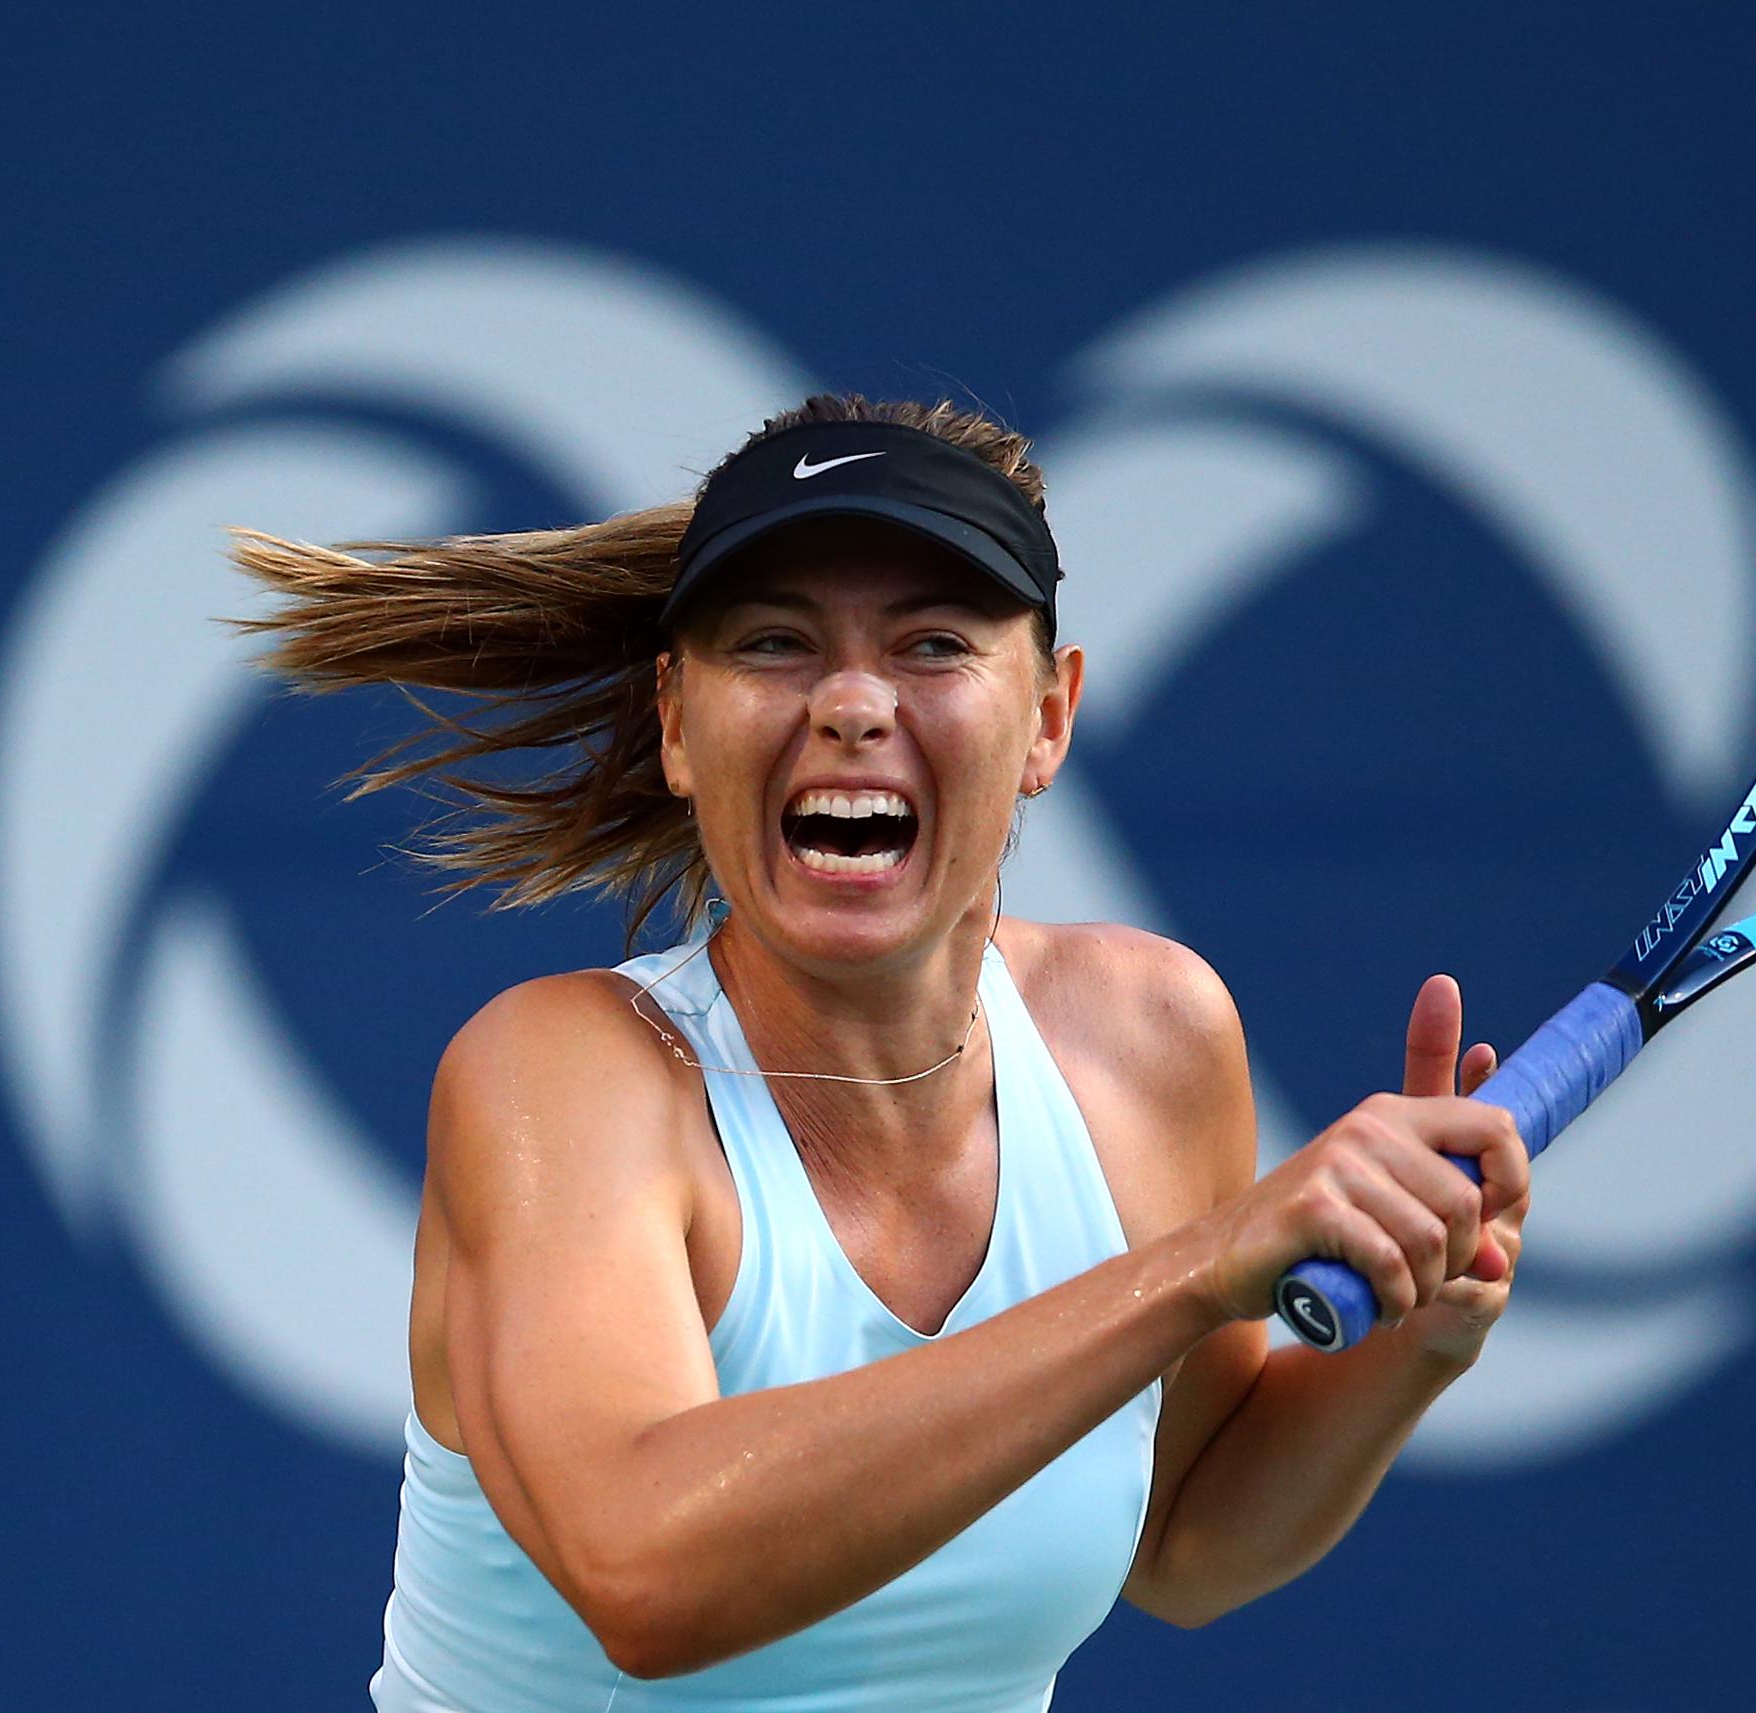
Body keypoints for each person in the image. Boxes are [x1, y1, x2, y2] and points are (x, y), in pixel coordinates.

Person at [231, 394, 1532, 1712]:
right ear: (677, 720)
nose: (852, 701)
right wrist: (1194, 1270)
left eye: (931, 642)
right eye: (777, 642)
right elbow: (646, 1574)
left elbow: (1183, 1542)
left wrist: (1413, 1334)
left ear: (1047, 717)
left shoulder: (1149, 1037)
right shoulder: (562, 1078)